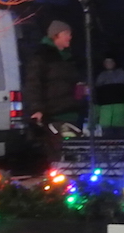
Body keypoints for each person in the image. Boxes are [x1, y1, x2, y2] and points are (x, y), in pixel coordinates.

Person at [23, 20, 86, 160]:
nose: (70, 37)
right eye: (67, 34)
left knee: (73, 153)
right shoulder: (41, 56)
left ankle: (72, 179)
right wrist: (36, 109)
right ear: (56, 35)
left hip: (72, 112)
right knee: (58, 153)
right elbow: (33, 84)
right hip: (54, 113)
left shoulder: (69, 58)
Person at [93, 57, 124, 131]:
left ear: (115, 63)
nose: (108, 64)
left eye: (111, 61)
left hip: (120, 116)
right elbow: (97, 100)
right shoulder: (101, 76)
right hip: (106, 117)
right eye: (106, 62)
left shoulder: (123, 75)